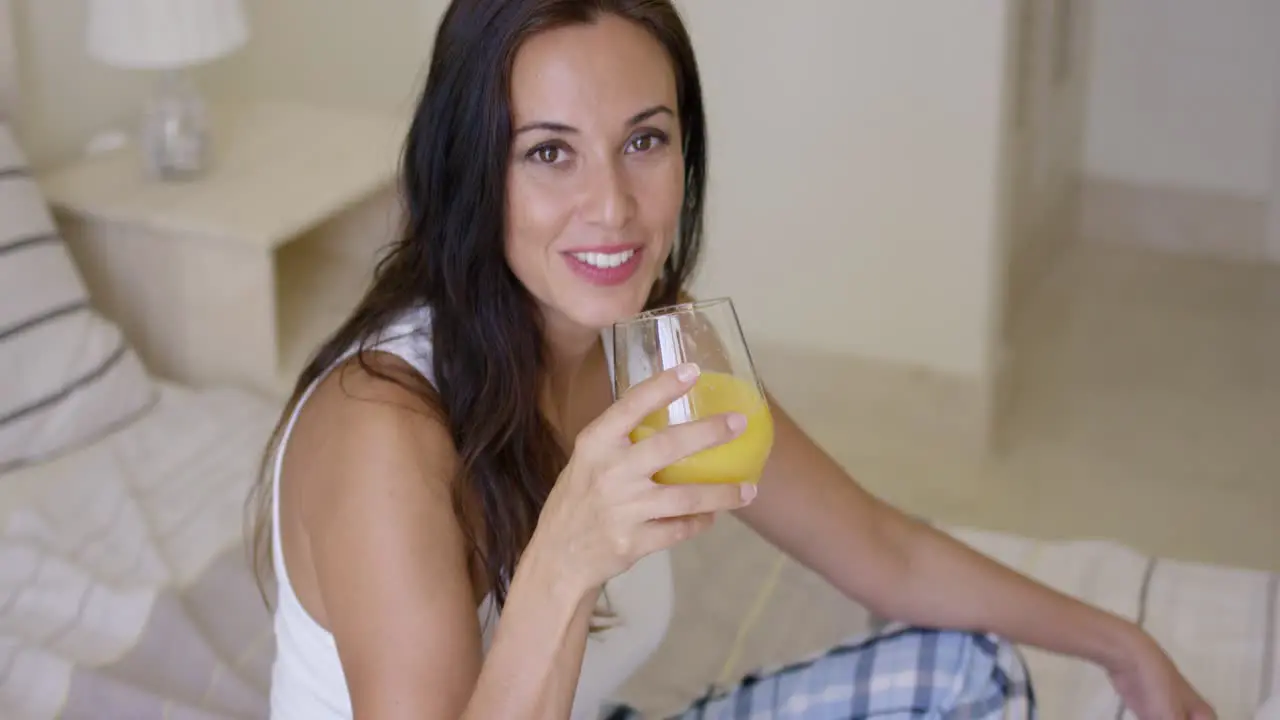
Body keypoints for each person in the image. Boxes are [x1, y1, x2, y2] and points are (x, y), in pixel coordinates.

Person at [245, 1, 1216, 718]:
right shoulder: (388, 431)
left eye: (645, 140)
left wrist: (1119, 645)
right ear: (470, 167)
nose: (613, 206)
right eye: (548, 152)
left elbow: (882, 551)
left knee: (971, 674)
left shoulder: (650, 348)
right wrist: (565, 560)